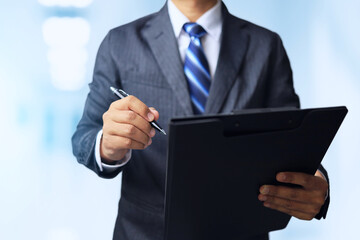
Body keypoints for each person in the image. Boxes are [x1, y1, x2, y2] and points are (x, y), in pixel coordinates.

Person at [72, 0, 329, 239]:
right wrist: (108, 145)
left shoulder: (266, 46)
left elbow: (292, 141)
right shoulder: (120, 42)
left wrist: (316, 182)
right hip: (144, 232)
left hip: (240, 232)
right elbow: (85, 136)